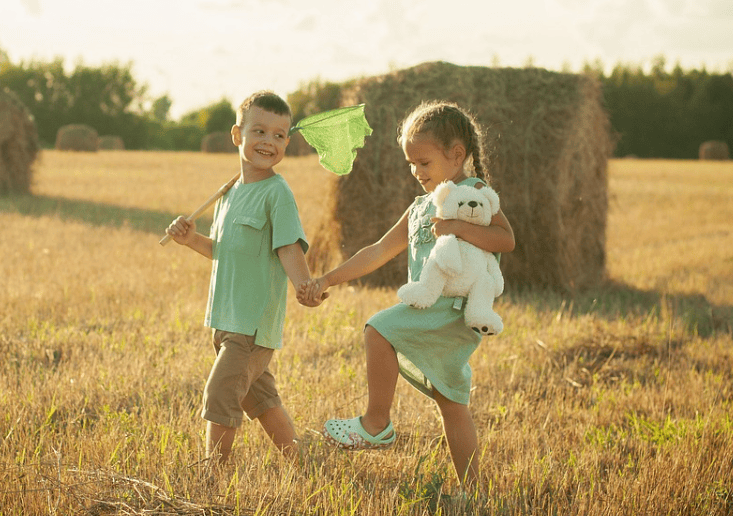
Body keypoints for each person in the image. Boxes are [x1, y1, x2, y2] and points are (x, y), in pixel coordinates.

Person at [298, 100, 515, 491]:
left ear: (456, 155)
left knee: (378, 329)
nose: (416, 172)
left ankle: (376, 424)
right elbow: (378, 251)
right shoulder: (419, 208)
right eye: (410, 164)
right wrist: (328, 279)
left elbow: (506, 239)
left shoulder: (473, 191)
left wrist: (455, 227)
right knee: (452, 405)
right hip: (434, 309)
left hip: (452, 310)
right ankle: (474, 493)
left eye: (424, 162)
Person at [166, 91, 323, 465]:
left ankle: (212, 474)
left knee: (221, 392)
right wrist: (191, 240)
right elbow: (222, 250)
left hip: (252, 324)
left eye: (279, 135)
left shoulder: (277, 194)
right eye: (260, 131)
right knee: (259, 397)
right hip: (224, 318)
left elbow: (288, 247)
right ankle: (299, 460)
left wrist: (306, 285)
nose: (269, 142)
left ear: (287, 142)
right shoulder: (228, 193)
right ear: (237, 135)